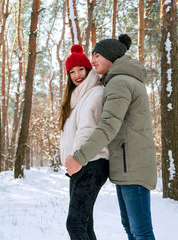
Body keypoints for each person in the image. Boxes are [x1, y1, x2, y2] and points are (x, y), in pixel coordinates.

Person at [65, 34, 157, 240]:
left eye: (97, 55)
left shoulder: (120, 83)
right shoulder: (119, 81)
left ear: (110, 56)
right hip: (126, 164)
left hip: (133, 164)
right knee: (132, 227)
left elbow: (108, 125)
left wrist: (79, 157)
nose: (93, 61)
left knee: (140, 230)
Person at [60, 44, 109, 240]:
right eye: (72, 71)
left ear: (89, 69)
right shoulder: (77, 97)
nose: (77, 75)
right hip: (80, 164)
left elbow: (88, 130)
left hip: (91, 163)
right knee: (84, 223)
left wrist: (76, 158)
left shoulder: (95, 93)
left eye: (81, 69)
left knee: (75, 223)